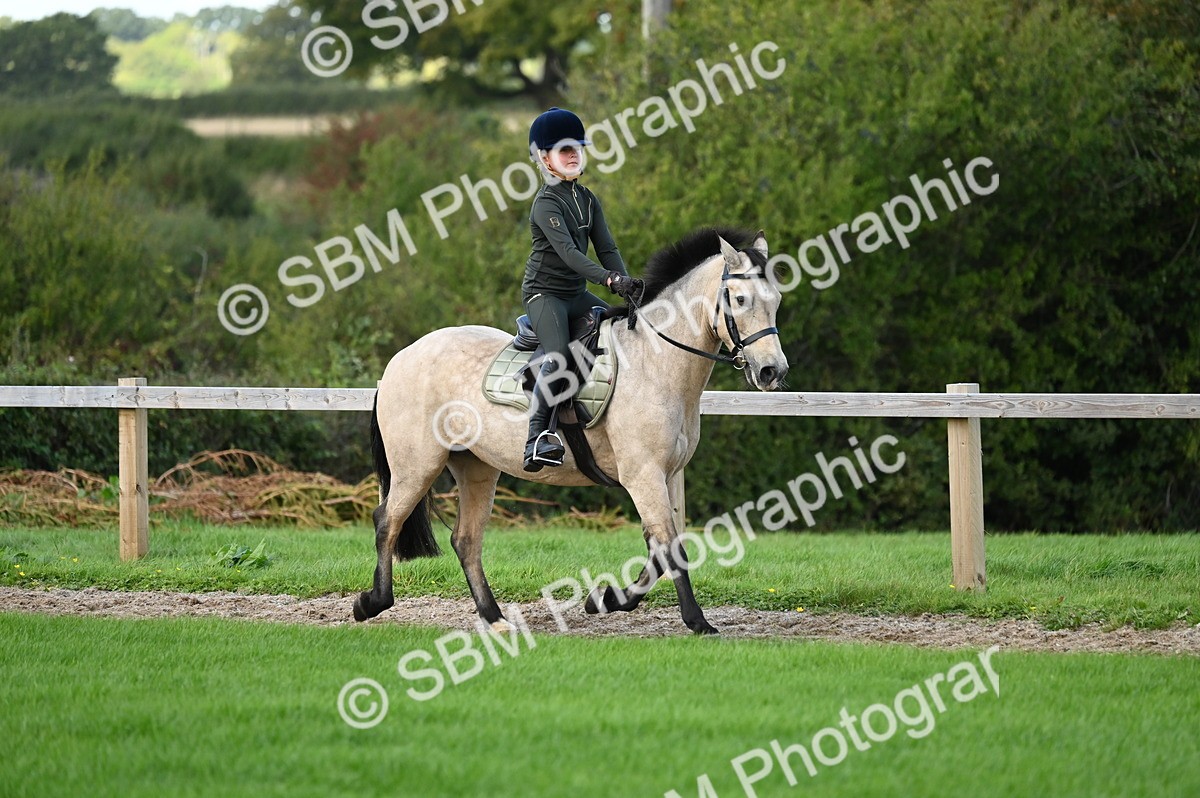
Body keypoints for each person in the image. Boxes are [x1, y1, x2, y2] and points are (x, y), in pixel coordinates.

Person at [522, 107, 643, 472]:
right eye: (564, 149)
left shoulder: (587, 199)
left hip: (575, 293)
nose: (573, 153)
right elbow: (572, 255)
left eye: (577, 146)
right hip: (545, 295)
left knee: (616, 329)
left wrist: (628, 287)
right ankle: (536, 438)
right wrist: (609, 280)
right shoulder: (546, 203)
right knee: (558, 353)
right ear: (545, 158)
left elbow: (606, 248)